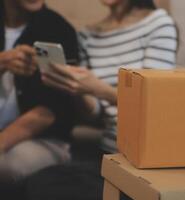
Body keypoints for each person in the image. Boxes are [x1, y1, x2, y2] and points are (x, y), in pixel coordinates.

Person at [42, 0, 178, 154]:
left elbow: (154, 102)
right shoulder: (88, 36)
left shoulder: (158, 24)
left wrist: (98, 89)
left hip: (146, 151)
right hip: (109, 149)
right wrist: (77, 90)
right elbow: (95, 114)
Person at [0, 0, 79, 181]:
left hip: (44, 138)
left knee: (8, 166)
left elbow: (50, 109)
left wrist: (2, 141)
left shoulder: (57, 29)